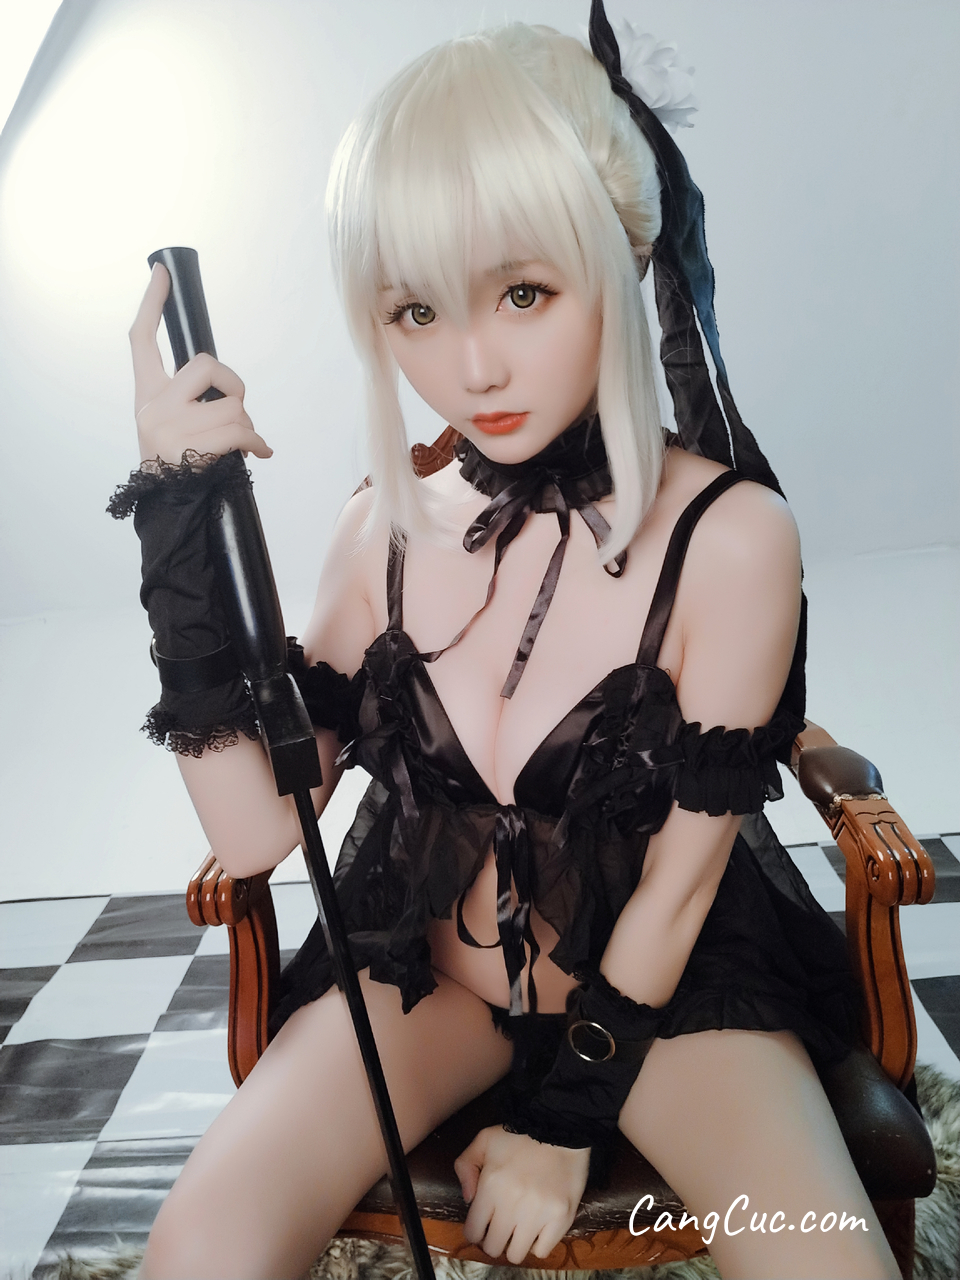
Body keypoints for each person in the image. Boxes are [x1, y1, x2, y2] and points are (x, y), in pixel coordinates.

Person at [117, 10, 901, 1279]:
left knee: (833, 1266)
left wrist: (567, 1118)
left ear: (618, 253)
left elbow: (681, 885)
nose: (472, 364)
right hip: (428, 982)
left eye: (523, 292)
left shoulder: (732, 537)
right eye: (416, 309)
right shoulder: (378, 532)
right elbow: (259, 831)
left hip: (665, 997)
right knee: (197, 1250)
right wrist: (178, 525)